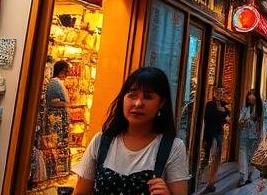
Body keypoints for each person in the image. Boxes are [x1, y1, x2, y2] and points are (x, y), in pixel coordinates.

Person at [71, 66, 188, 195]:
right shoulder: (101, 142)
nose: (138, 103)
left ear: (161, 103)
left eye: (148, 97)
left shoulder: (173, 148)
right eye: (132, 95)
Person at [198, 85, 230, 194]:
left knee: (216, 158)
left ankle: (211, 183)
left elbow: (228, 119)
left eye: (222, 92)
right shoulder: (209, 105)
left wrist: (224, 112)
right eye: (218, 92)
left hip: (218, 133)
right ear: (214, 93)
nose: (220, 94)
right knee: (206, 157)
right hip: (209, 133)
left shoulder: (225, 105)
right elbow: (207, 119)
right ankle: (202, 179)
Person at [237, 89, 264, 185]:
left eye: (253, 95)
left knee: (252, 156)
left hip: (255, 136)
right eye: (249, 95)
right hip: (244, 135)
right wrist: (243, 121)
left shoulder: (260, 108)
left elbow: (261, 123)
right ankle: (242, 176)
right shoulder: (245, 108)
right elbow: (240, 123)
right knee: (242, 154)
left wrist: (260, 136)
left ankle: (250, 175)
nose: (250, 97)